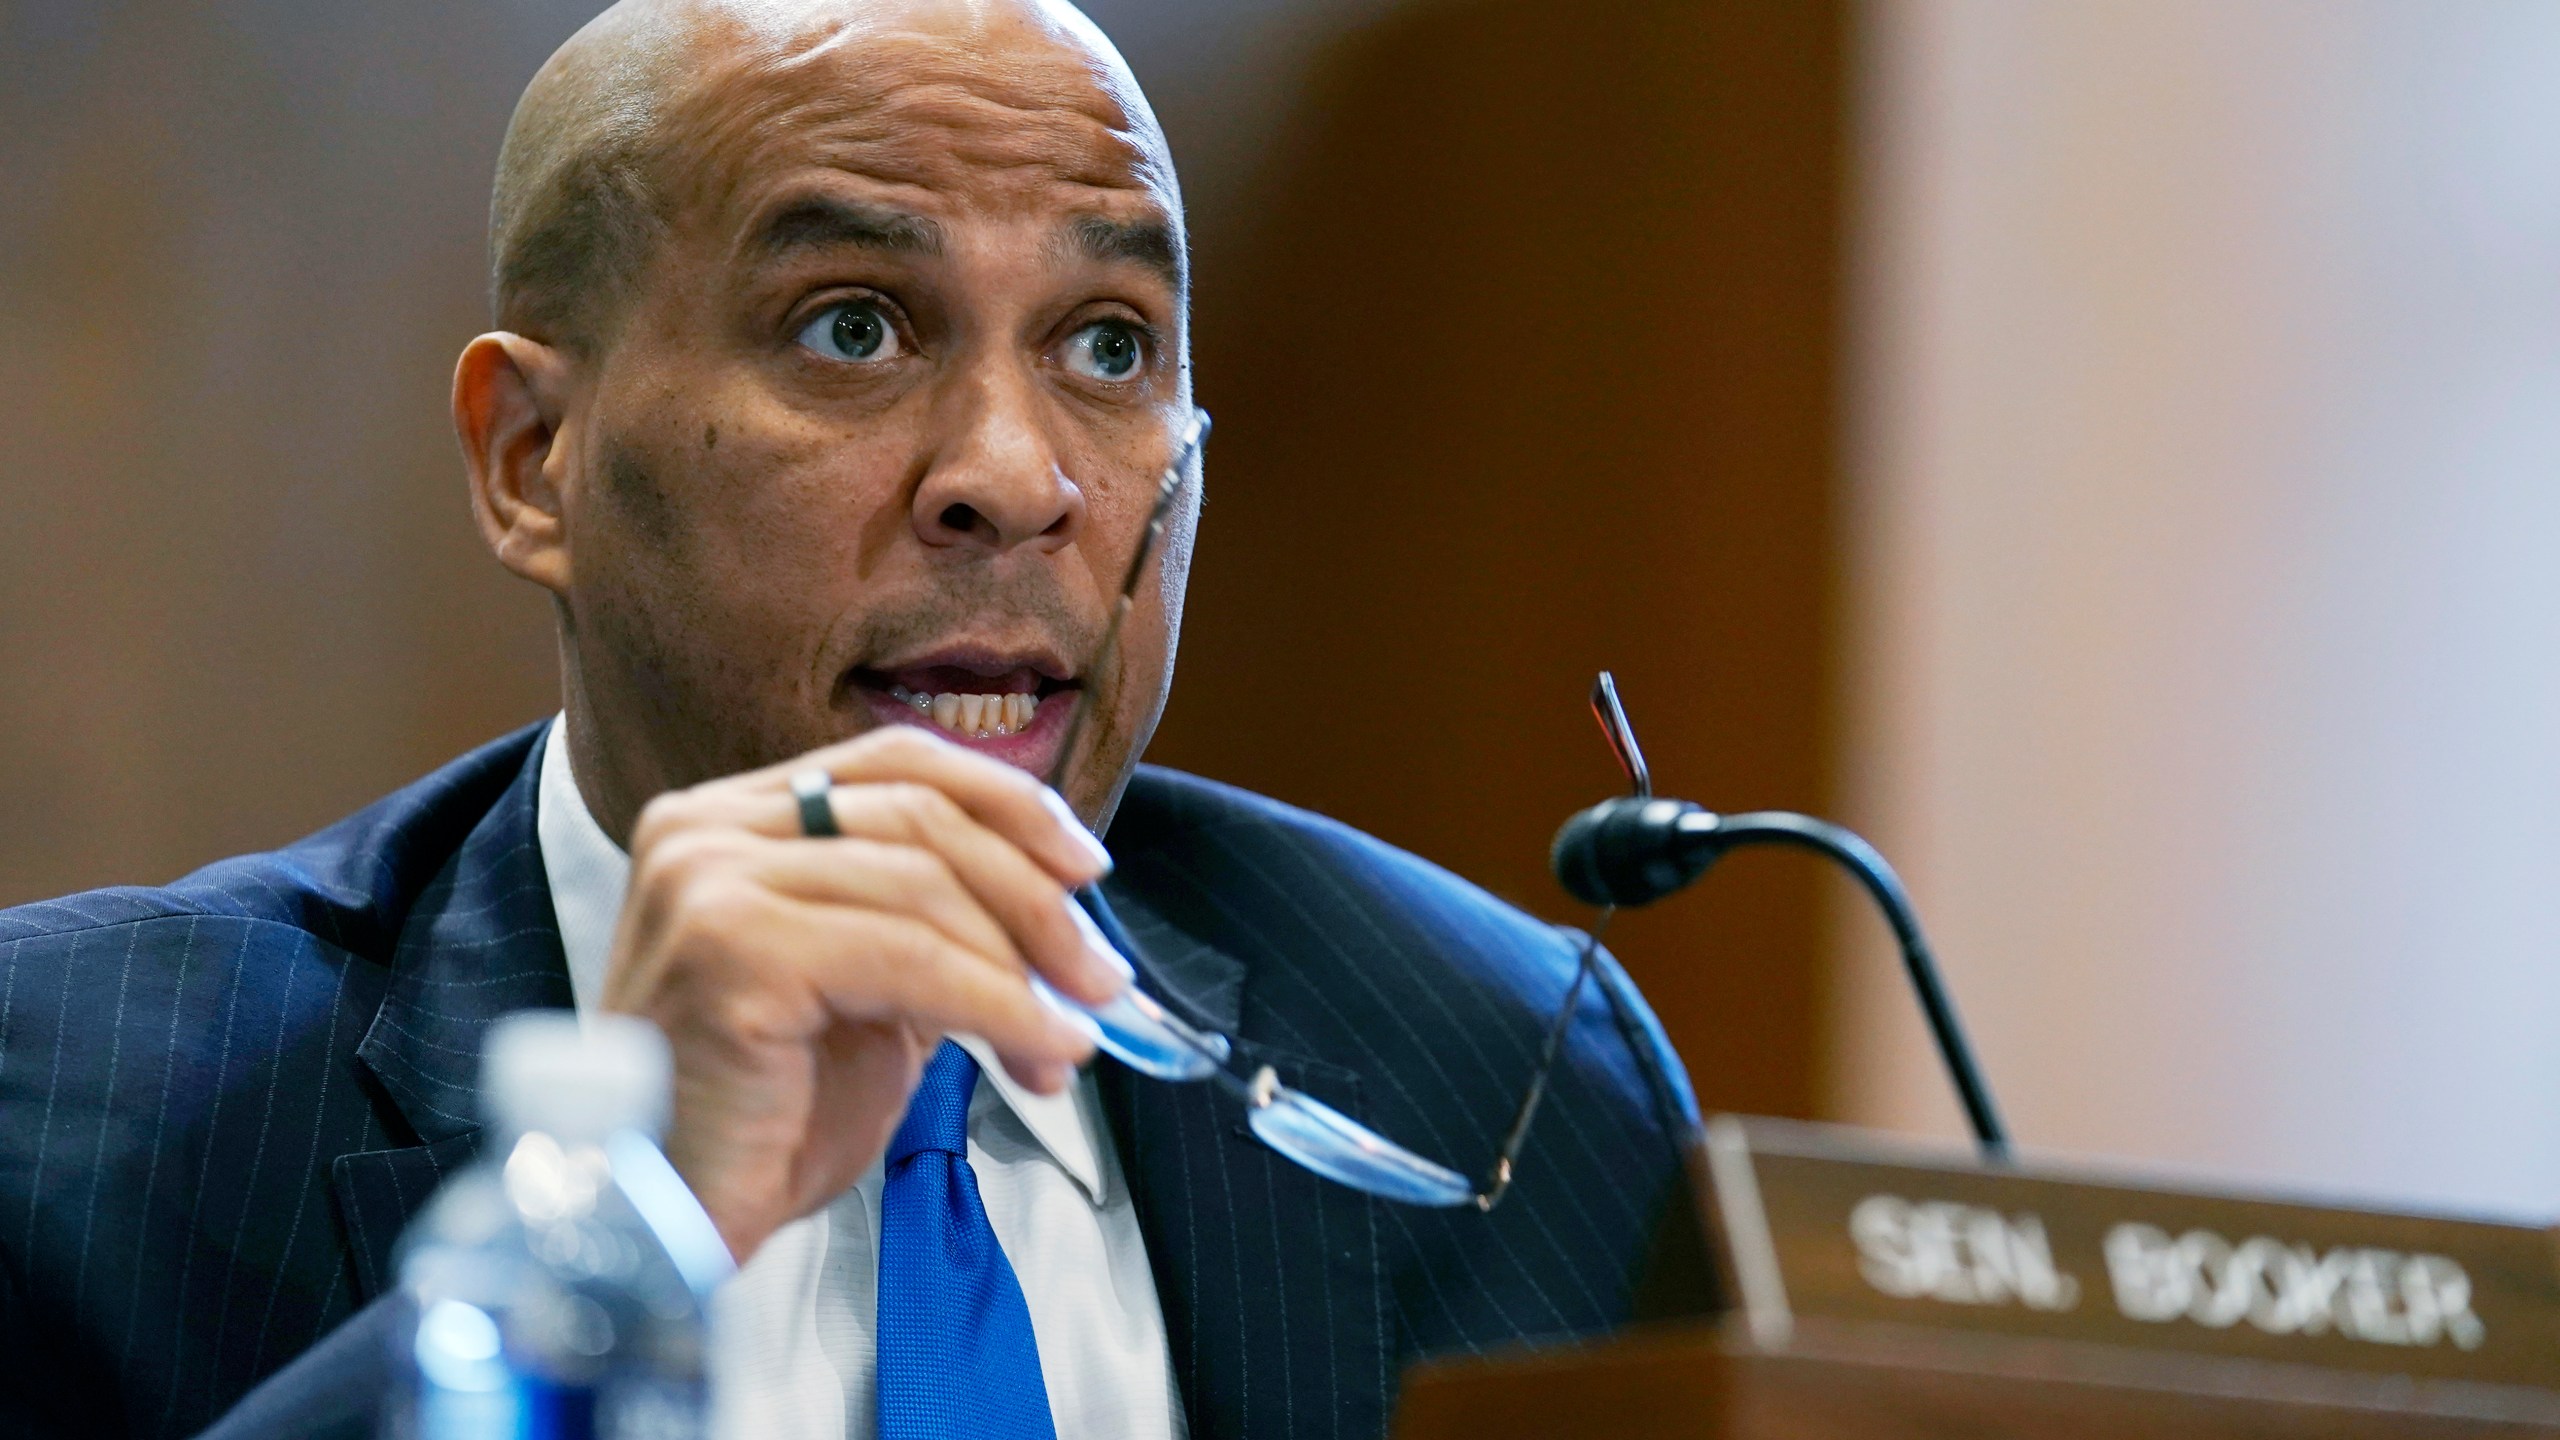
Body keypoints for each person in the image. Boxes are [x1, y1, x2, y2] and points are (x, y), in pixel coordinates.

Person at [0, 2, 1704, 1436]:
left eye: (1110, 347)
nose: (1013, 480)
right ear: (536, 462)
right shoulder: (76, 1112)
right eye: (854, 327)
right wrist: (601, 1229)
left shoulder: (1502, 1076)